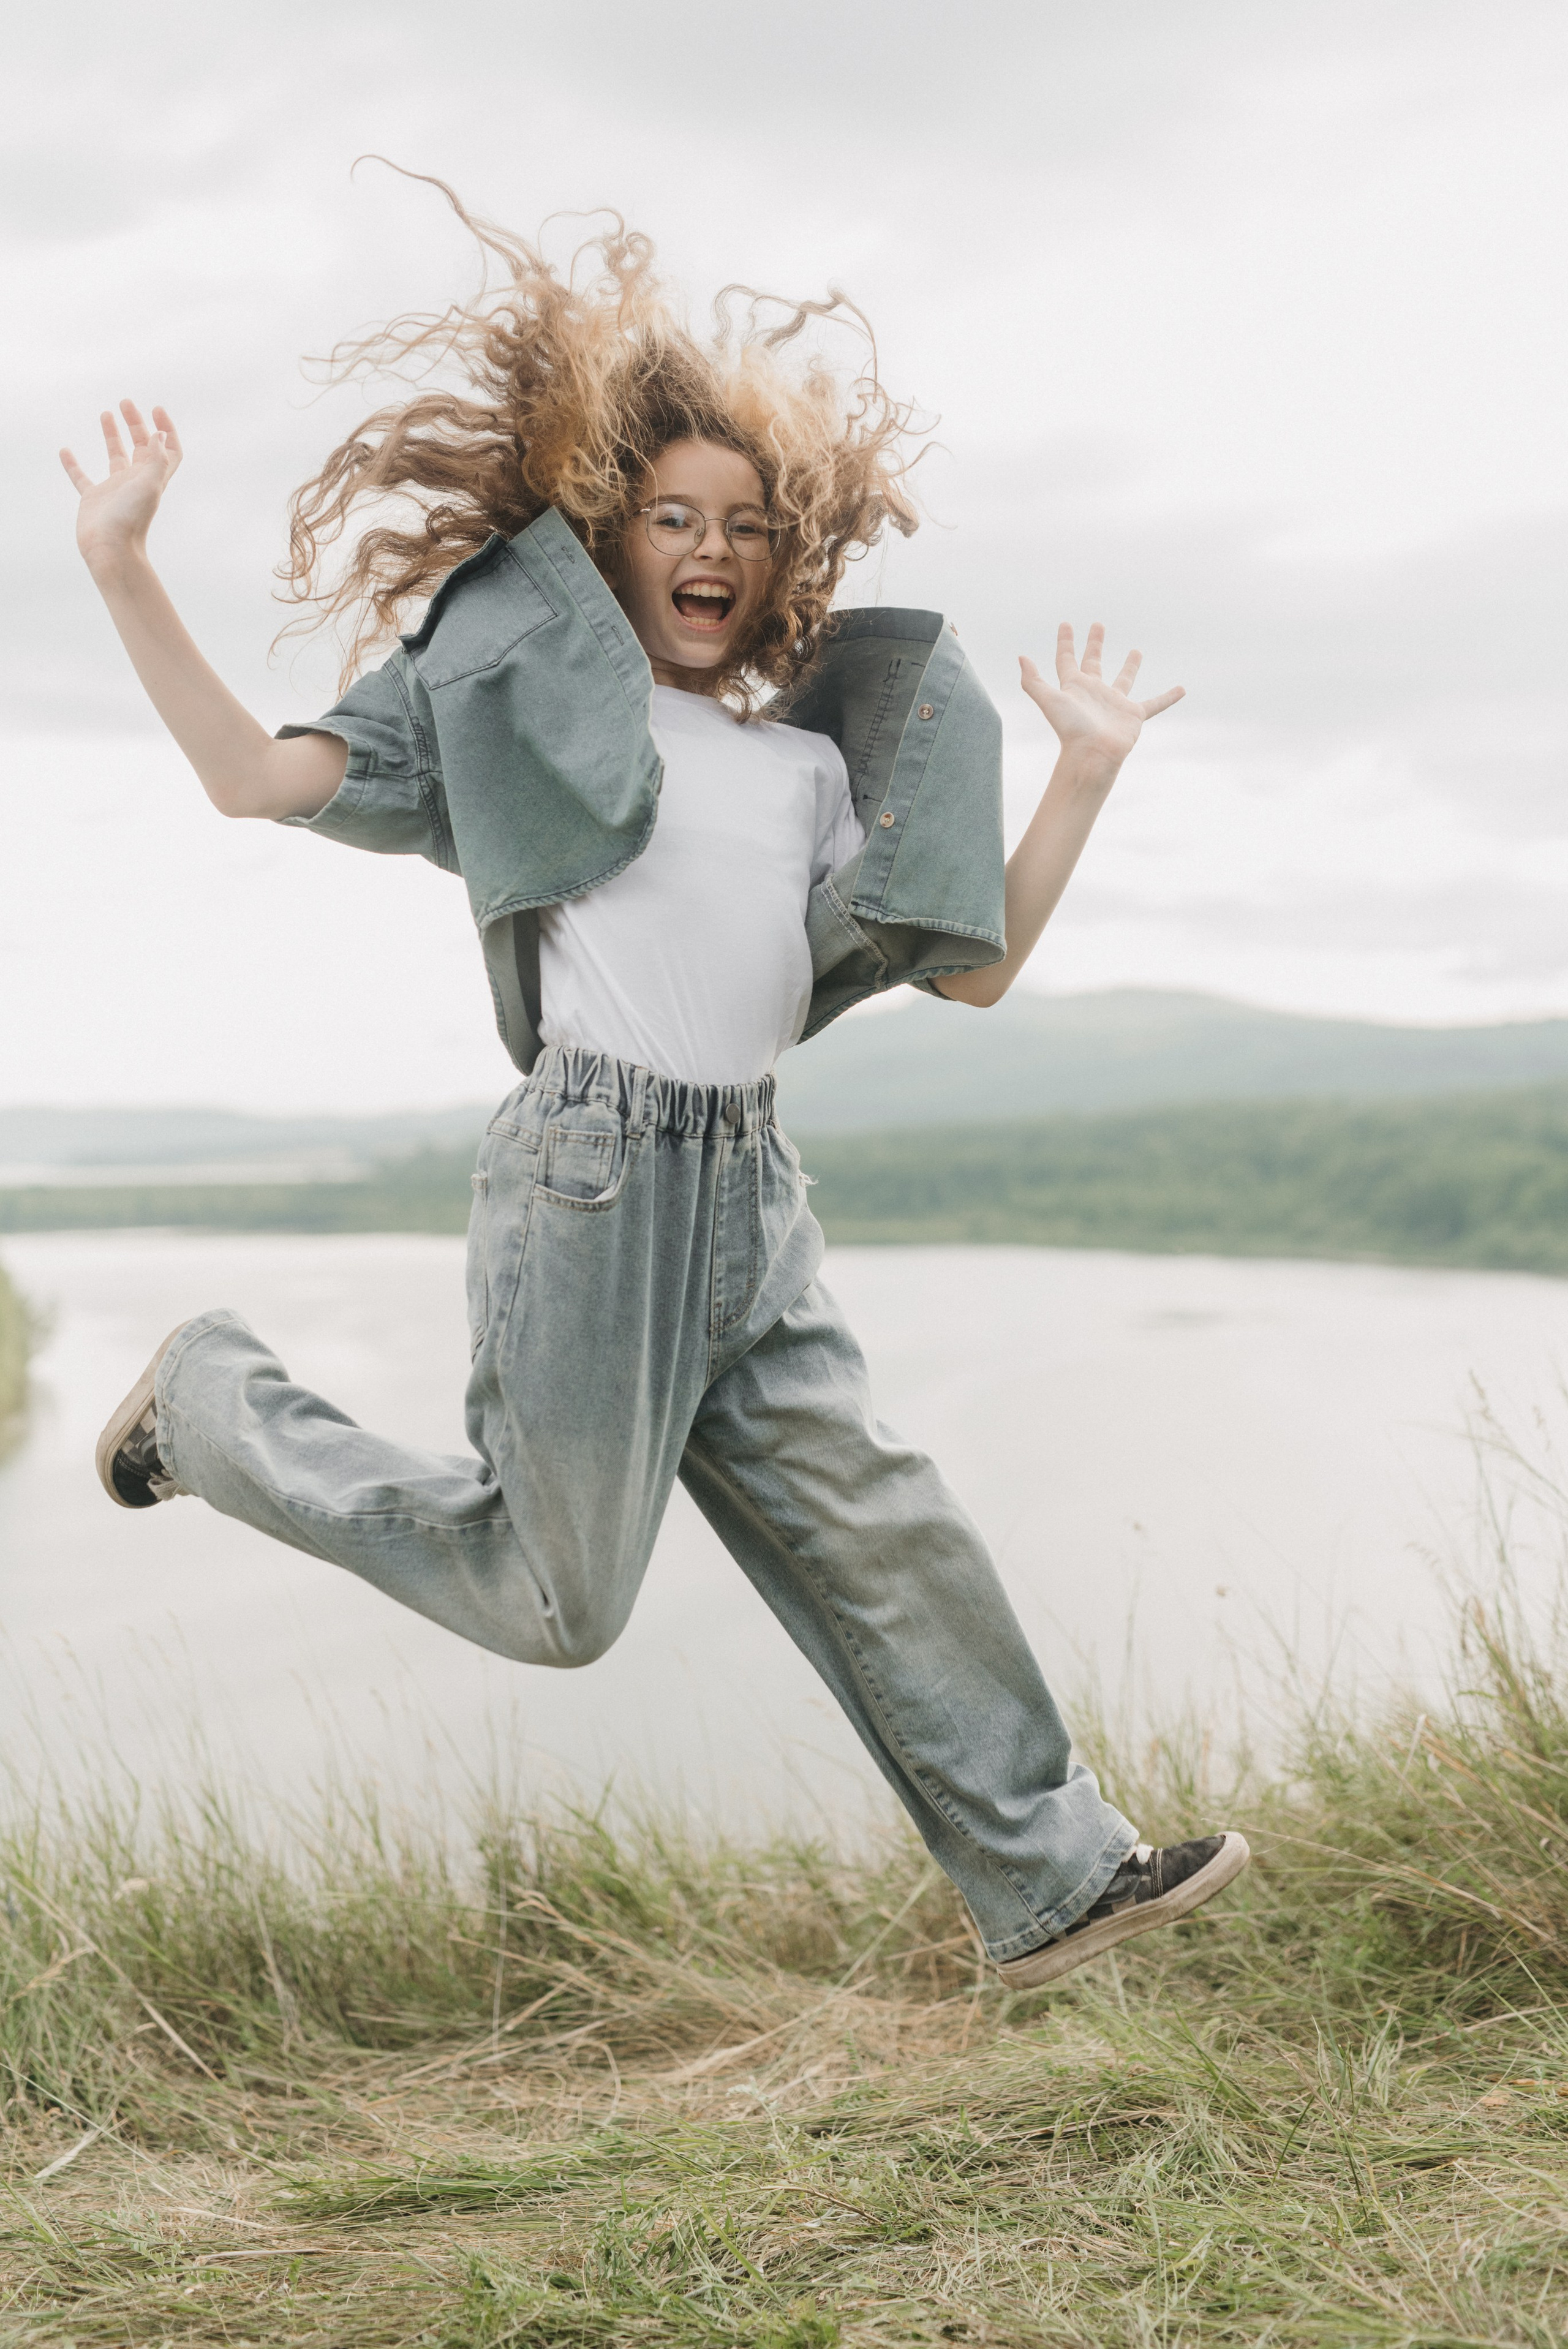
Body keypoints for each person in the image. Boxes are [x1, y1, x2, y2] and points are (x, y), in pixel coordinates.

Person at [61, 190, 1247, 1988]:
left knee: (882, 1513)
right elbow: (251, 775)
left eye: (746, 529)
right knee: (559, 1605)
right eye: (676, 518)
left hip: (752, 1190)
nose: (711, 549)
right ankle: (215, 1400)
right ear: (614, 541)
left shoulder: (797, 777)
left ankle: (1056, 1874)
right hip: (594, 1175)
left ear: (779, 567)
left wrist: (1081, 774)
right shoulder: (520, 707)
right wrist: (124, 568)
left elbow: (978, 962)